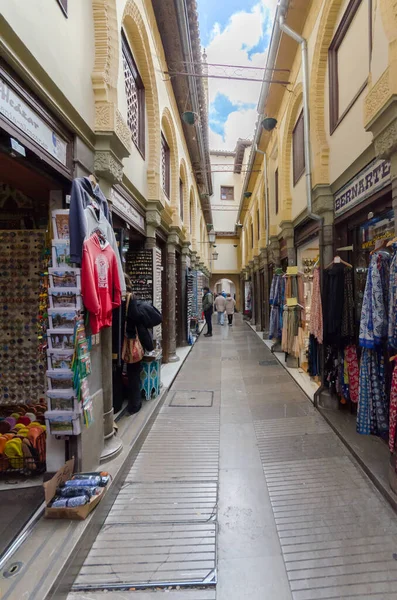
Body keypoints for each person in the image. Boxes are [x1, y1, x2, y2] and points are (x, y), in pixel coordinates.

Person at [123, 276, 162, 414]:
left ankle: (127, 402)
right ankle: (133, 403)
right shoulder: (132, 301)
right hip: (129, 343)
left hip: (122, 343)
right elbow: (141, 322)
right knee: (133, 373)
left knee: (127, 373)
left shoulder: (124, 300)